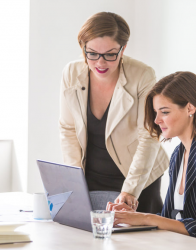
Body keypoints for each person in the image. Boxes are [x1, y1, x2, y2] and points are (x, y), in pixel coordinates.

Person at [107, 71, 196, 246]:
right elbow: (167, 218)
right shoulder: (179, 154)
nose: (156, 120)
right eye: (156, 112)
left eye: (164, 112)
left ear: (190, 108)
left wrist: (145, 218)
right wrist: (132, 217)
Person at [59, 12, 169, 213]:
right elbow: (68, 129)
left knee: (138, 241)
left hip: (138, 178)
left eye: (110, 54)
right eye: (91, 53)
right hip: (91, 178)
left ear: (123, 49)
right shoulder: (71, 73)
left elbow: (149, 135)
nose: (100, 63)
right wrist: (74, 181)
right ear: (83, 48)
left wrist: (130, 191)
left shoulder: (143, 75)